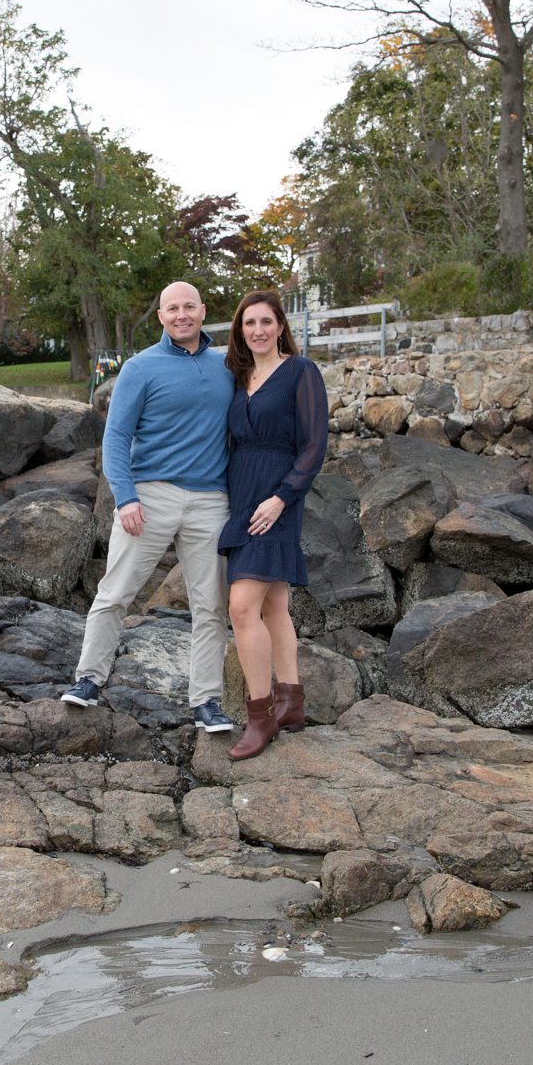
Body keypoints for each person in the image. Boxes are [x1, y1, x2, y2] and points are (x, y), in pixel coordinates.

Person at [61, 280, 238, 733]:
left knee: (211, 606)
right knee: (115, 593)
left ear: (202, 311)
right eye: (172, 308)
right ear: (161, 316)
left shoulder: (227, 366)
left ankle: (207, 703)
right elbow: (116, 437)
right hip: (150, 497)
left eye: (189, 307)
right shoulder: (141, 368)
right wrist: (127, 497)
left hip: (211, 501)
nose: (182, 315)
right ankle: (88, 680)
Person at [215, 290, 328, 760]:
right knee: (274, 605)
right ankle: (292, 701)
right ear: (240, 331)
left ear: (281, 326)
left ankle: (259, 717)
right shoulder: (238, 378)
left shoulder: (302, 373)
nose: (257, 330)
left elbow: (314, 445)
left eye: (265, 321)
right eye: (248, 323)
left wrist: (282, 498)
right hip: (241, 497)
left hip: (278, 497)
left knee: (242, 607)